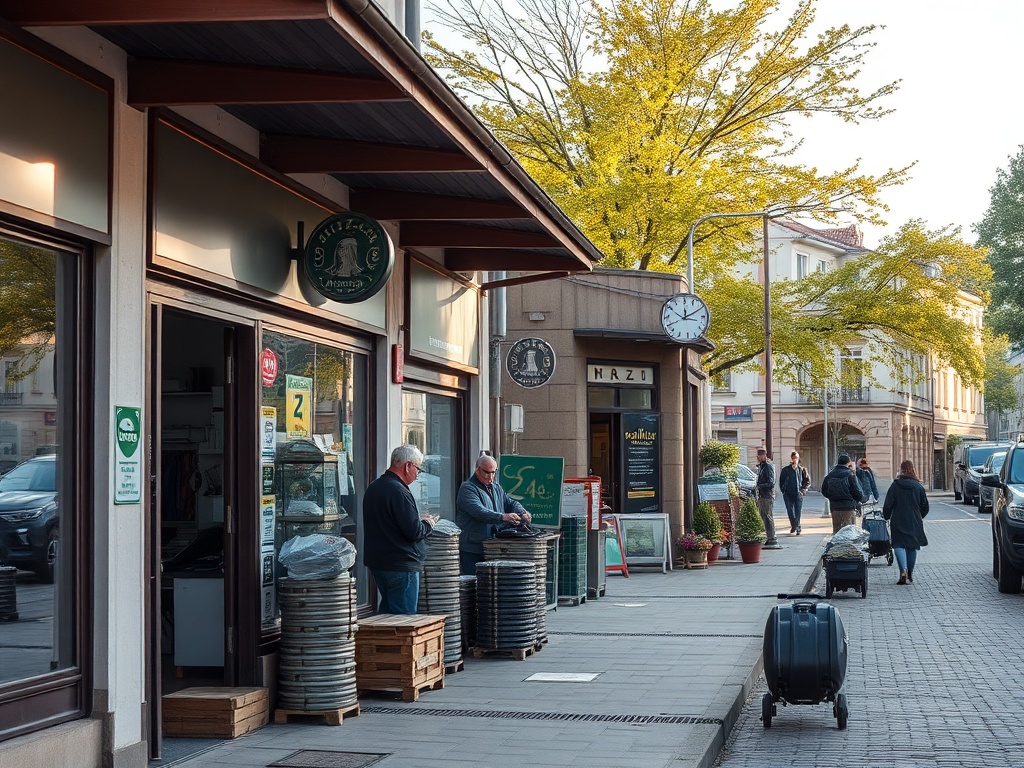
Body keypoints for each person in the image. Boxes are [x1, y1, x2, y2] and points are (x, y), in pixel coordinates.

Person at [362, 445, 438, 614]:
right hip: (401, 563)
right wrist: (428, 524)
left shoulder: (375, 486)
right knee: (403, 621)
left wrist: (417, 521)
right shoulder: (398, 490)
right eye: (418, 469)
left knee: (388, 618)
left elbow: (390, 522)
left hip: (380, 562)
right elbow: (414, 531)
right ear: (407, 466)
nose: (417, 474)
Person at [455, 454, 532, 574]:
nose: (490, 477)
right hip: (473, 548)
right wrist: (503, 517)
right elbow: (479, 511)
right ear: (477, 470)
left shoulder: (496, 487)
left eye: (493, 472)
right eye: (487, 472)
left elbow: (510, 502)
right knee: (474, 582)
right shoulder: (467, 488)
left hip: (493, 546)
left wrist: (522, 512)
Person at [882, 459, 928, 585]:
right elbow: (925, 506)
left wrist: (886, 516)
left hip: (898, 519)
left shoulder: (895, 486)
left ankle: (903, 570)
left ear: (901, 470)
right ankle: (910, 573)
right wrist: (919, 516)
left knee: (898, 545)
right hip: (914, 520)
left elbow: (888, 505)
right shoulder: (918, 487)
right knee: (912, 547)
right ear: (913, 470)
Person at [821, 453, 865, 534]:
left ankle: (837, 546)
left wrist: (832, 498)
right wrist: (859, 499)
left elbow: (824, 491)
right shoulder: (850, 474)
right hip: (848, 506)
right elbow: (856, 490)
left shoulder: (830, 475)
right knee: (849, 533)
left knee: (837, 532)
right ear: (848, 463)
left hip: (835, 507)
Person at [778, 451, 810, 535]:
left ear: (798, 459)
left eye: (796, 458)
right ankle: (794, 525)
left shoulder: (802, 470)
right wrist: (783, 491)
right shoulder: (785, 470)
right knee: (790, 511)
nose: (794, 459)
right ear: (791, 459)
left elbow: (807, 482)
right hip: (788, 494)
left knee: (798, 511)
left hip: (798, 493)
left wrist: (803, 490)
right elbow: (781, 481)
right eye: (793, 458)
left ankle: (797, 527)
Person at [754, 448, 779, 548]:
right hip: (762, 495)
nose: (758, 457)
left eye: (760, 456)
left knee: (768, 516)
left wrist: (759, 486)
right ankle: (769, 537)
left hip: (767, 495)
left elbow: (771, 483)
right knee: (764, 517)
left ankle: (772, 538)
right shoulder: (762, 467)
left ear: (763, 456)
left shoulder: (768, 466)